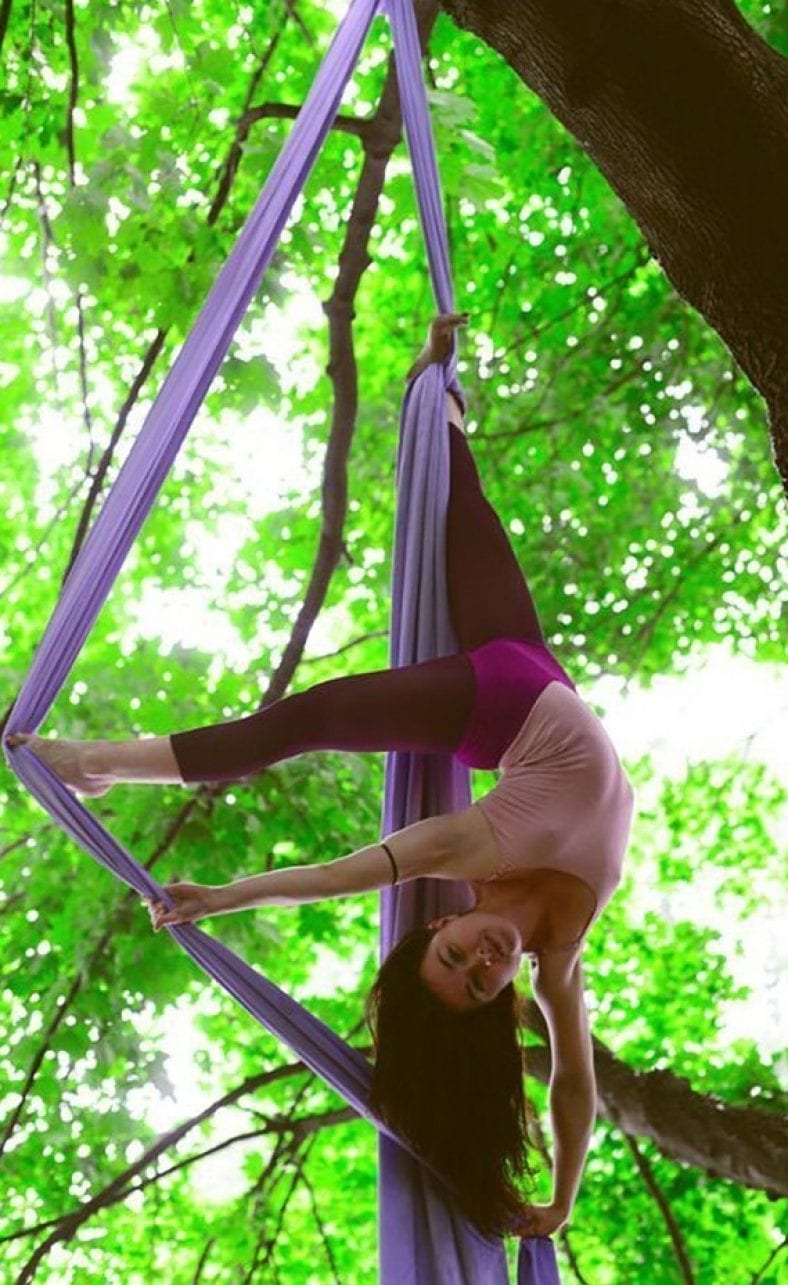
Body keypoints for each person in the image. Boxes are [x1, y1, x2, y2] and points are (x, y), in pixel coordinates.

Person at [7, 314, 634, 1241]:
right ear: (500, 999)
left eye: (452, 954)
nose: (481, 958)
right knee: (470, 511)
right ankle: (445, 403)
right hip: (537, 677)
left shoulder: (465, 849)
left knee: (316, 713)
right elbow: (577, 1085)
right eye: (478, 979)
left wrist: (219, 896)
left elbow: (335, 876)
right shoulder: (560, 961)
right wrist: (564, 1196)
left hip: (502, 699)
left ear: (445, 917)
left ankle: (100, 761)